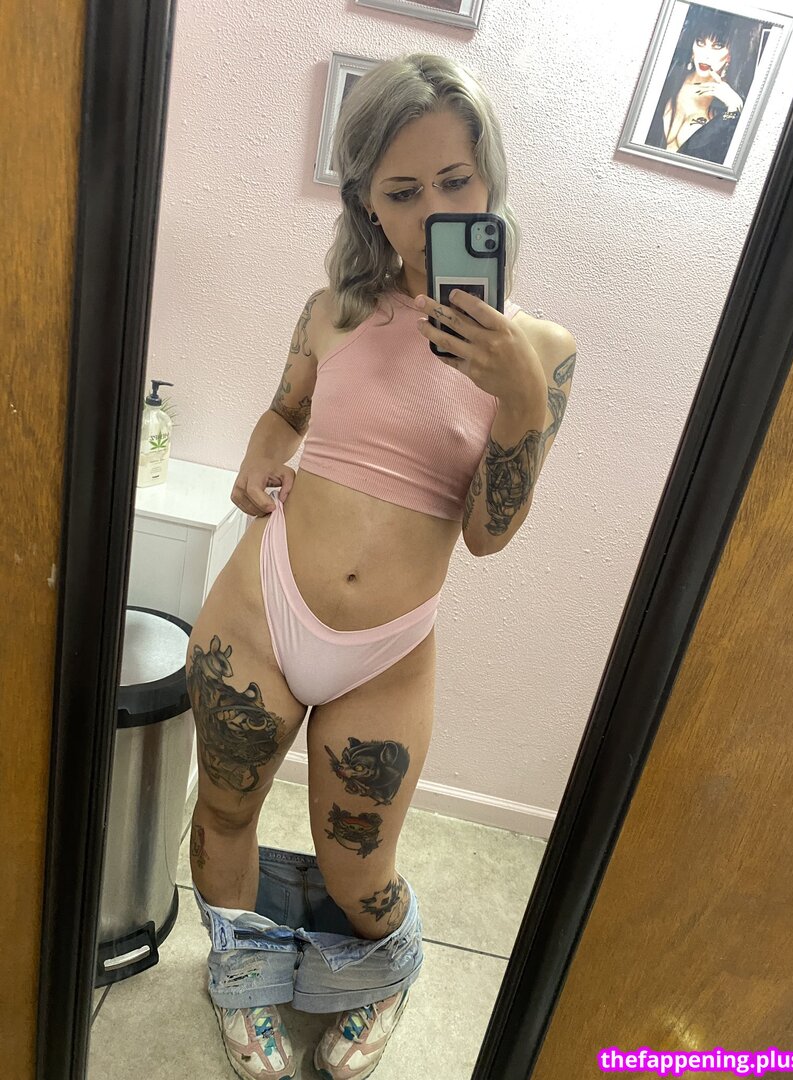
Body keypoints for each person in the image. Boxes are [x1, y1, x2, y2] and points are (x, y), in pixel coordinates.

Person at [185, 51, 576, 1080]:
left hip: (388, 652)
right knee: (224, 810)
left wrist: (521, 397)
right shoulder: (333, 310)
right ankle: (242, 977)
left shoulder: (542, 350)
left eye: (456, 181)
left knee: (360, 870)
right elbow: (287, 411)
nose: (433, 211)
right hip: (260, 609)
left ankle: (387, 972)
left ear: (489, 178)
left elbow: (488, 534)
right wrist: (263, 449)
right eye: (402, 192)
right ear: (365, 200)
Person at [645, 9, 768, 164]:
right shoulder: (669, 79)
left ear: (730, 55)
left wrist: (733, 111)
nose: (705, 54)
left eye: (718, 46)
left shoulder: (735, 103)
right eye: (700, 43)